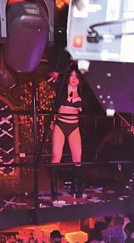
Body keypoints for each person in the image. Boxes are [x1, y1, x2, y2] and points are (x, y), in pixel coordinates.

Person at [51, 68, 84, 196]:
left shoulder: (82, 92)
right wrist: (58, 74)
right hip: (60, 124)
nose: (74, 79)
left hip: (74, 126)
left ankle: (77, 189)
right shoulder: (61, 89)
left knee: (77, 157)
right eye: (71, 76)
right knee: (56, 156)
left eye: (76, 76)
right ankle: (53, 190)